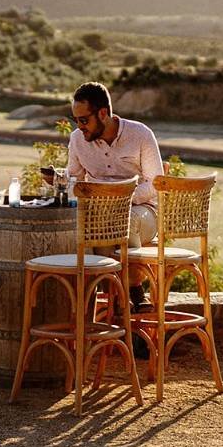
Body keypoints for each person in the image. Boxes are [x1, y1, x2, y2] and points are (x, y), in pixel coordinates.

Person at [64, 81, 164, 312]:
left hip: (143, 211)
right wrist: (62, 182)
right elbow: (74, 182)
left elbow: (156, 183)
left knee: (120, 218)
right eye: (76, 120)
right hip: (99, 214)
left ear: (103, 113)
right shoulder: (77, 140)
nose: (80, 127)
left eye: (84, 120)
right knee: (80, 227)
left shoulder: (140, 134)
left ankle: (126, 290)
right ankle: (119, 294)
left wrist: (120, 200)